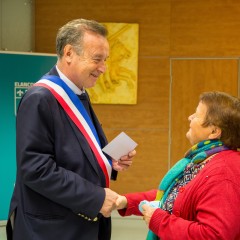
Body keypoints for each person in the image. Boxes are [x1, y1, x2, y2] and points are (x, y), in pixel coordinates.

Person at [6, 18, 136, 240]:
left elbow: (72, 151)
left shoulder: (80, 93)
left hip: (77, 224)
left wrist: (109, 160)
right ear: (68, 53)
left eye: (105, 60)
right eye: (97, 59)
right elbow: (36, 168)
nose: (103, 68)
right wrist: (94, 197)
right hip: (51, 229)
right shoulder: (40, 99)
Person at [116, 91, 240, 240]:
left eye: (196, 115)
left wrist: (159, 221)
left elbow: (213, 235)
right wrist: (126, 202)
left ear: (214, 131)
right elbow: (176, 196)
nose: (190, 118)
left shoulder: (223, 172)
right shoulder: (204, 159)